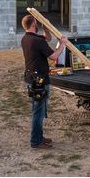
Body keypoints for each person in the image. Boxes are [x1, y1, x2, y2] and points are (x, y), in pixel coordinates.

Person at [21, 15, 67, 149]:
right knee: (38, 112)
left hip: (32, 79)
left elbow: (47, 38)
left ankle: (39, 137)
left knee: (38, 110)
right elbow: (53, 56)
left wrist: (46, 28)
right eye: (37, 22)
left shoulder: (26, 38)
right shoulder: (36, 41)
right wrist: (63, 44)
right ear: (34, 24)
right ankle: (36, 141)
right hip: (39, 81)